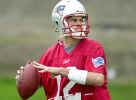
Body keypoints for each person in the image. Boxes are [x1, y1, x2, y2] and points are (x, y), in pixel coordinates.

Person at [16, 0, 111, 100]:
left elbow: (98, 79)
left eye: (81, 20)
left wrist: (62, 71)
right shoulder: (49, 55)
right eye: (74, 20)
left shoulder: (93, 48)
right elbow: (32, 86)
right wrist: (24, 78)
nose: (79, 24)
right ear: (59, 22)